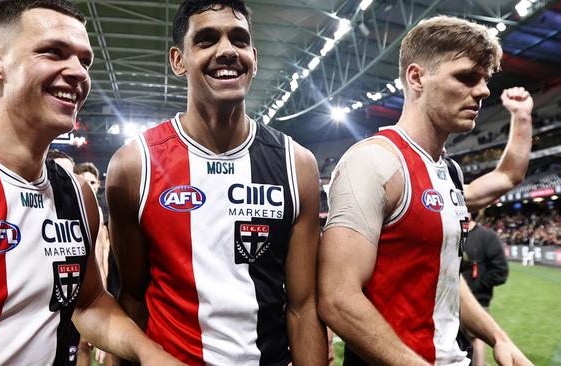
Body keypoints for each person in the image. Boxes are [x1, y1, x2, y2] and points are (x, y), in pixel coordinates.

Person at [0, 1, 184, 365]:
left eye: (85, 61)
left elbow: (88, 302)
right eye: (53, 52)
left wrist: (153, 356)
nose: (77, 73)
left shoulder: (78, 195)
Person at [106, 0, 328, 365]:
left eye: (238, 40)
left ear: (253, 58)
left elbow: (303, 307)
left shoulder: (296, 164)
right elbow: (132, 297)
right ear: (178, 60)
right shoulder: (133, 167)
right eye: (207, 40)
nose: (227, 51)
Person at [318, 16, 533, 366]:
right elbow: (337, 299)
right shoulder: (373, 162)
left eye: (484, 80)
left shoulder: (448, 170)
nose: (482, 91)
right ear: (416, 77)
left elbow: (442, 277)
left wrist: (499, 337)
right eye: (465, 77)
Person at [74, 161, 113, 366]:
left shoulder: (99, 214)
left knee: (104, 346)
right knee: (82, 346)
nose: (89, 185)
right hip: (78, 291)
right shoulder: (71, 212)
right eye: (84, 180)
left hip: (101, 288)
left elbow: (103, 258)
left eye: (93, 181)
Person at [461, 213, 509, 366]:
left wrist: (477, 285)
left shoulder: (488, 237)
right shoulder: (453, 233)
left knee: (476, 339)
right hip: (448, 302)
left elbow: (500, 272)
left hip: (477, 301)